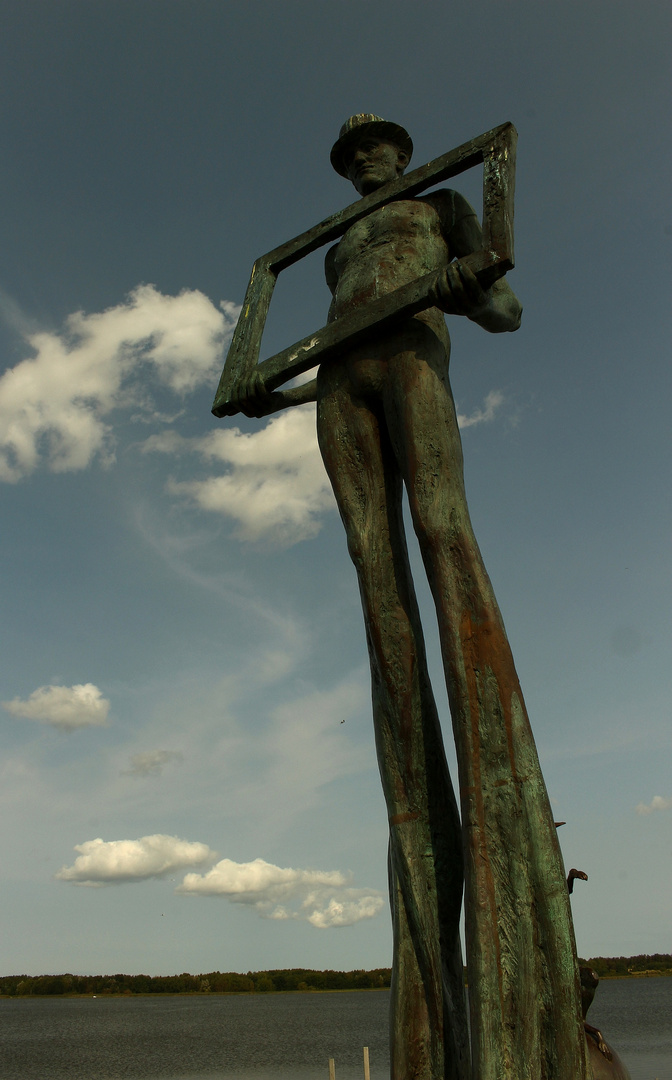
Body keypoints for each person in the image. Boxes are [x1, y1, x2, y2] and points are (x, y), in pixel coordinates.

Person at [233, 115, 587, 1080]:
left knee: (441, 531)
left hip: (415, 356)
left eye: (377, 148)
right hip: (343, 380)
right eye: (351, 157)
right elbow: (338, 332)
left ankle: (506, 864)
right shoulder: (335, 249)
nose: (364, 162)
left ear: (402, 151)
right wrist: (276, 392)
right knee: (370, 567)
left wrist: (472, 281)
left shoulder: (442, 202)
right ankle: (428, 1003)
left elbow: (503, 309)